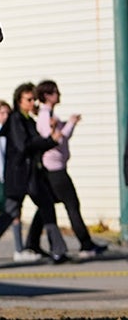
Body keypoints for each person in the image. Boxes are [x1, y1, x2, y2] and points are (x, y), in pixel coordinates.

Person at [0, 82, 67, 263]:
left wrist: (48, 139)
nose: (32, 103)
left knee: (46, 206)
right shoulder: (16, 120)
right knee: (8, 214)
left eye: (34, 99)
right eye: (29, 99)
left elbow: (34, 142)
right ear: (19, 100)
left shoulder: (28, 120)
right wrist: (49, 141)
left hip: (31, 176)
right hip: (19, 176)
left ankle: (58, 249)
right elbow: (24, 146)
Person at [26, 81, 108, 259]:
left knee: (45, 206)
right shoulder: (44, 116)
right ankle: (86, 244)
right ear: (48, 96)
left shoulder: (48, 114)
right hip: (54, 170)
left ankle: (32, 243)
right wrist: (70, 124)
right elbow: (54, 139)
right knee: (72, 205)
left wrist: (68, 124)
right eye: (55, 92)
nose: (59, 94)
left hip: (56, 168)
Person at [0, 99, 37, 261]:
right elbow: (0, 159)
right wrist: (5, 179)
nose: (5, 116)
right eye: (2, 113)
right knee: (10, 214)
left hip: (9, 177)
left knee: (14, 213)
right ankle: (16, 249)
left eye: (8, 112)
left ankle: (19, 248)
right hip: (4, 178)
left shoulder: (8, 130)